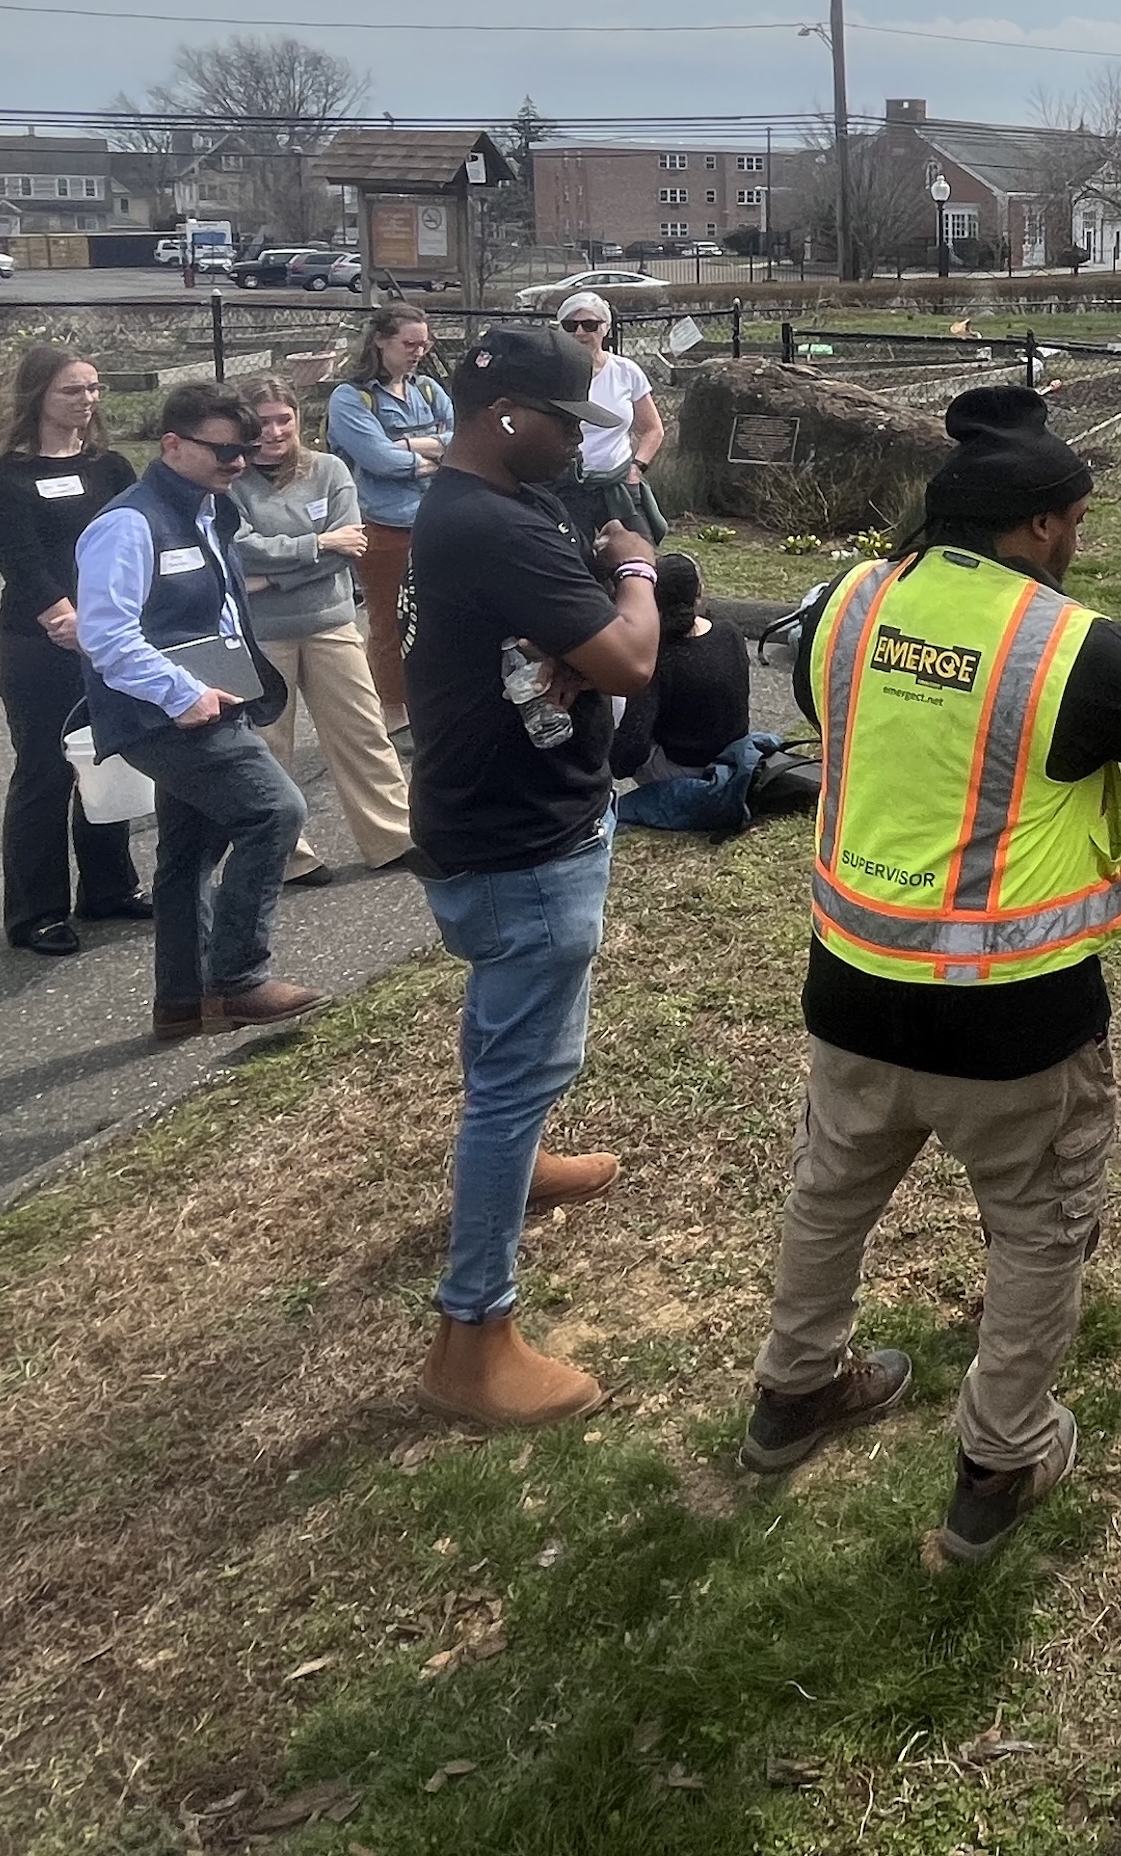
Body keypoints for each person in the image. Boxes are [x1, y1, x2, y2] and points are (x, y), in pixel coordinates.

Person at [739, 386, 1121, 1560]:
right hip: (1014, 1021)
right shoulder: (1071, 646)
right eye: (1077, 519)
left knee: (828, 1195)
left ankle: (792, 1392)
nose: (1080, 538)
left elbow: (845, 719)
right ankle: (1001, 1457)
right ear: (1040, 525)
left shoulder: (845, 601)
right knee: (1039, 1232)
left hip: (849, 983)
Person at [398, 325, 665, 1426]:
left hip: (493, 816)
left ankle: (519, 1162)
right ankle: (474, 1335)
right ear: (508, 413)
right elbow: (632, 658)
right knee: (513, 1072)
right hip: (521, 839)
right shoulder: (498, 528)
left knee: (508, 1054)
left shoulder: (465, 512)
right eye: (567, 422)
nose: (578, 445)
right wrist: (636, 574)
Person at [75, 379, 322, 1043]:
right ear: (173, 445)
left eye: (245, 450)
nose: (239, 462)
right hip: (162, 714)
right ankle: (239, 980)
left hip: (216, 696)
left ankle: (183, 1002)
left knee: (189, 852)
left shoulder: (209, 509)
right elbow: (107, 637)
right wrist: (182, 694)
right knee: (275, 810)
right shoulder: (128, 524)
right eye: (224, 452)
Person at [0, 343, 148, 956]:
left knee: (109, 757)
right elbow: (21, 564)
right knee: (46, 770)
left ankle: (110, 887)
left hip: (109, 635)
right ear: (39, 397)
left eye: (93, 388)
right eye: (72, 390)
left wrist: (111, 626)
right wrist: (67, 619)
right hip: (40, 642)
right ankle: (36, 912)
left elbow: (137, 541)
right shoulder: (7, 479)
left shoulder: (111, 469)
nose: (87, 400)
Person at [229, 377, 415, 882]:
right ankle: (286, 856)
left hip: (331, 624)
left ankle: (393, 839)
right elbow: (239, 550)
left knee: (364, 733)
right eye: (261, 421)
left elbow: (352, 544)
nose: (273, 431)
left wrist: (269, 576)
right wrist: (318, 547)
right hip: (263, 635)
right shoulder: (231, 481)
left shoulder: (329, 470)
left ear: (298, 420)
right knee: (267, 745)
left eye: (283, 419)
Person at [326, 303, 452, 734]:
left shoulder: (431, 391)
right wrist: (433, 454)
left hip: (436, 523)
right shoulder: (350, 398)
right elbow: (377, 460)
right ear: (380, 341)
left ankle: (431, 701)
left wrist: (406, 444)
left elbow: (463, 441)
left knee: (439, 616)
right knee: (389, 621)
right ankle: (395, 711)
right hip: (384, 529)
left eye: (424, 343)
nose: (419, 351)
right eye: (409, 344)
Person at [613, 551, 778, 835]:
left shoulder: (659, 655)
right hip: (732, 752)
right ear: (698, 593)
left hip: (685, 767)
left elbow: (632, 749)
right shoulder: (730, 633)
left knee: (618, 691)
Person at [549, 293, 668, 545]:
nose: (580, 332)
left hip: (617, 484)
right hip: (566, 487)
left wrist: (637, 467)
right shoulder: (550, 377)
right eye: (571, 325)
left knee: (639, 552)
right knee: (574, 560)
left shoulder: (626, 372)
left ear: (606, 328)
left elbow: (652, 429)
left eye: (590, 325)